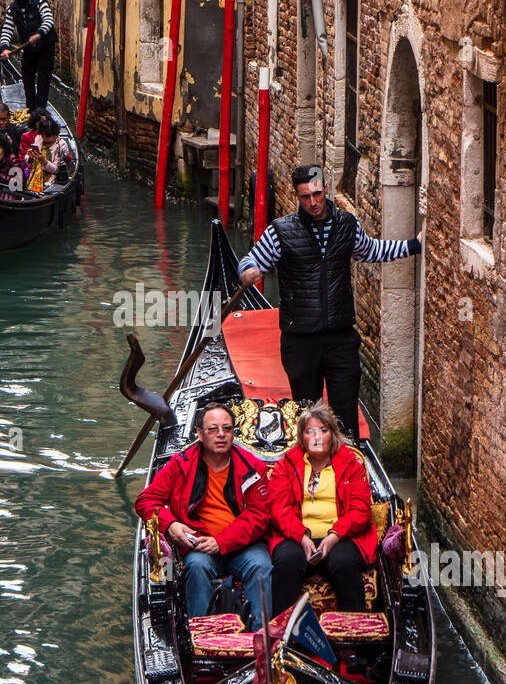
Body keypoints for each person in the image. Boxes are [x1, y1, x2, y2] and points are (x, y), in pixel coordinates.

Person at [238, 164, 422, 437]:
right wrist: (246, 271)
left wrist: (414, 245)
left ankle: (349, 466)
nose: (312, 203)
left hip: (340, 336)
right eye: (305, 197)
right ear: (297, 196)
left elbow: (371, 250)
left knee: (345, 413)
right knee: (307, 415)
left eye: (316, 194)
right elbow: (251, 259)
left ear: (325, 189)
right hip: (300, 339)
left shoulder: (347, 225)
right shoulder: (281, 231)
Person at [135, 402, 273, 631]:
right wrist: (171, 526)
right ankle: (201, 636)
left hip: (243, 544)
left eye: (227, 429)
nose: (221, 435)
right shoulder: (180, 464)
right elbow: (145, 501)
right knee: (197, 566)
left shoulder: (252, 466)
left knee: (261, 565)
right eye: (213, 429)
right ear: (199, 434)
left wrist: (221, 542)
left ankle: (261, 636)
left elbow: (260, 515)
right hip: (198, 543)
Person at [268, 402, 378, 616]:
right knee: (286, 561)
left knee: (343, 561)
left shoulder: (351, 464)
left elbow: (361, 510)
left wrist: (334, 536)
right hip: (296, 538)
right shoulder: (286, 465)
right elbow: (278, 508)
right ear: (302, 437)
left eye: (323, 430)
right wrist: (302, 537)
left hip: (341, 538)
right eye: (310, 431)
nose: (317, 437)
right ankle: (282, 633)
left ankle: (352, 631)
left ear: (333, 435)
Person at [0, 0, 56, 110]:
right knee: (27, 78)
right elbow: (7, 29)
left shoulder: (39, 1)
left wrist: (38, 33)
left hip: (45, 47)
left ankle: (40, 110)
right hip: (29, 49)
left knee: (43, 80)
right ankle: (30, 109)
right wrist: (5, 47)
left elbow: (48, 20)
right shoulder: (12, 8)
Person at [20, 109, 73, 184]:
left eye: (48, 136)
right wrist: (30, 157)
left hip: (52, 179)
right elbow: (26, 160)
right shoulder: (39, 139)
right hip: (34, 175)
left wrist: (44, 160)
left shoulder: (61, 145)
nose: (45, 138)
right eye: (43, 136)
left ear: (55, 134)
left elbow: (56, 169)